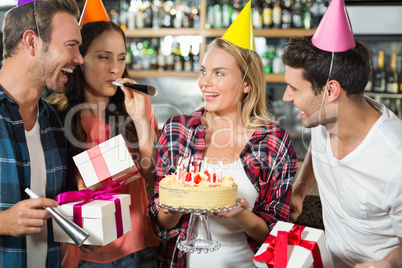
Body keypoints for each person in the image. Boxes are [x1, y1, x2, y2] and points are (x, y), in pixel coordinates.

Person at [147, 7, 298, 265]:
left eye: (219, 73)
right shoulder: (177, 131)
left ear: (247, 83)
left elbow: (277, 234)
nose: (205, 82)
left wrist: (239, 213)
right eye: (204, 71)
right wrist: (169, 209)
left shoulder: (273, 142)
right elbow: (159, 226)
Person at [47, 20, 159, 267]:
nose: (115, 69)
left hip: (137, 249)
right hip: (83, 252)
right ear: (79, 59)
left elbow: (153, 179)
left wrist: (140, 120)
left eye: (121, 58)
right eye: (104, 57)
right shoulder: (54, 114)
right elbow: (69, 187)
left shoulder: (137, 106)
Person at [282, 34, 402, 268]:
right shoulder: (325, 118)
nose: (287, 96)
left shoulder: (395, 161)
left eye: (294, 88)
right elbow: (317, 150)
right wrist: (299, 190)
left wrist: (387, 263)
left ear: (330, 91)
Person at [0, 0, 83, 267]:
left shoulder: (55, 124)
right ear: (32, 42)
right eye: (71, 45)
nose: (79, 59)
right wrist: (3, 223)